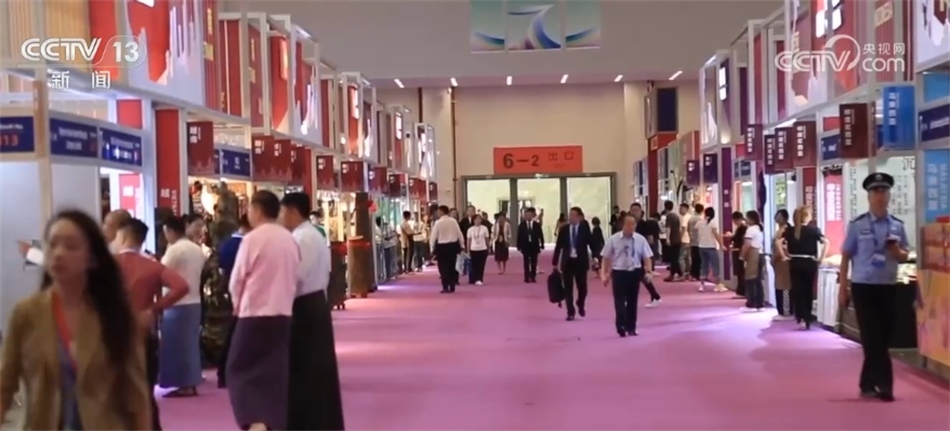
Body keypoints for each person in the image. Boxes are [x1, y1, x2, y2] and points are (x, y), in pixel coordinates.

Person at [0, 209, 151, 429]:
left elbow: (136, 397)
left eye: (71, 246)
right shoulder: (25, 314)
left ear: (92, 257)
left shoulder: (114, 315)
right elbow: (5, 385)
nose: (59, 253)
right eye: (52, 244)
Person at [227, 190, 300, 430]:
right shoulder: (290, 239)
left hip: (254, 313)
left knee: (238, 369)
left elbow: (237, 280)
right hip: (283, 314)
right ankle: (273, 420)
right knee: (274, 371)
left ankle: (255, 420)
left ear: (257, 210)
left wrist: (237, 307)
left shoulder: (252, 239)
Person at [114, 217, 190, 429]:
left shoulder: (107, 266)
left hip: (112, 335)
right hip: (143, 334)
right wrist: (155, 308)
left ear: (123, 237)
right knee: (145, 390)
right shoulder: (152, 267)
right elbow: (181, 286)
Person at [839, 173, 908, 402]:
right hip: (863, 286)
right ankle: (885, 385)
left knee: (883, 337)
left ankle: (867, 381)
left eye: (884, 192)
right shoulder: (858, 225)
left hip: (888, 285)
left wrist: (897, 252)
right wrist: (843, 287)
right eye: (876, 192)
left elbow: (905, 254)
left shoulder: (897, 225)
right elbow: (846, 256)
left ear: (889, 196)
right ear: (868, 197)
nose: (880, 196)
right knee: (872, 336)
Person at [279, 193, 345, 430]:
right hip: (313, 303)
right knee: (313, 369)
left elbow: (296, 275)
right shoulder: (311, 234)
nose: (279, 218)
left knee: (307, 370)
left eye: (281, 212)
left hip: (305, 306)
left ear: (292, 211)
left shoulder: (303, 238)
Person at [159, 215, 207, 397]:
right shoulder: (196, 249)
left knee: (177, 346)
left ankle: (185, 384)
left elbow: (162, 271)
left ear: (170, 231)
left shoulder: (174, 250)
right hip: (194, 300)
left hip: (177, 301)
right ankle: (191, 381)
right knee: (190, 345)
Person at [600, 213, 654, 337]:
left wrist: (649, 272)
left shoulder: (640, 239)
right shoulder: (613, 239)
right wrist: (604, 274)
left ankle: (631, 327)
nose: (631, 227)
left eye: (633, 224)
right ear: (623, 225)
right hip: (619, 272)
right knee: (619, 301)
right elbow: (606, 258)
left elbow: (647, 257)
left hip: (634, 272)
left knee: (632, 301)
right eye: (629, 224)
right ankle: (621, 325)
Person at [18, 209, 132, 265]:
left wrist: (32, 254)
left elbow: (69, 265)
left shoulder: (116, 256)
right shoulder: (98, 245)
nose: (103, 228)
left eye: (108, 225)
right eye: (104, 223)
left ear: (120, 230)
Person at [217, 214, 252, 388]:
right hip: (243, 295)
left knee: (231, 334)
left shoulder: (226, 244)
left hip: (227, 292)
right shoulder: (246, 244)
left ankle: (224, 372)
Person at [782, 206, 830, 329]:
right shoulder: (814, 230)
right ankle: (808, 316)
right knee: (808, 290)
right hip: (809, 262)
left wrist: (786, 254)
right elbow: (826, 242)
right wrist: (821, 258)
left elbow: (780, 242)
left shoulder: (790, 231)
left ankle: (800, 316)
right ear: (807, 216)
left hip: (795, 261)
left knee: (798, 290)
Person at [552, 207, 594, 320]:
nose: (571, 217)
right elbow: (559, 246)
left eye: (574, 215)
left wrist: (596, 257)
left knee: (582, 288)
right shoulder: (564, 229)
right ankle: (570, 312)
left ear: (580, 217)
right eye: (570, 215)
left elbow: (591, 243)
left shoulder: (584, 229)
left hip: (581, 262)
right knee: (568, 288)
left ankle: (580, 303)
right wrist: (555, 261)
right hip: (568, 262)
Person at [630, 203, 663, 307]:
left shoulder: (645, 225)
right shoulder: (629, 224)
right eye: (633, 210)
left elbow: (650, 240)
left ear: (641, 212)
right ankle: (655, 296)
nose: (634, 212)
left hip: (641, 254)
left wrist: (647, 255)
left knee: (640, 276)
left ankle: (655, 296)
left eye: (637, 210)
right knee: (638, 277)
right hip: (631, 254)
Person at [430, 205, 465, 293]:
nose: (437, 213)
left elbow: (433, 237)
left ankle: (445, 286)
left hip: (442, 247)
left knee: (443, 267)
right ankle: (452, 284)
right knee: (452, 265)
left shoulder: (438, 223)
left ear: (442, 212)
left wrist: (431, 248)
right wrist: (462, 245)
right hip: (453, 246)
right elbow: (459, 234)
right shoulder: (453, 221)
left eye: (438, 211)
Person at [739, 210, 766, 311]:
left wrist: (742, 256)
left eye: (747, 217)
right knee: (758, 280)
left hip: (753, 255)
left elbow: (747, 244)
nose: (745, 220)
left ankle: (751, 304)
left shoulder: (750, 230)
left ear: (752, 219)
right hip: (761, 254)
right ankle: (760, 303)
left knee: (750, 279)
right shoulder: (759, 229)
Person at [695, 207, 726, 292]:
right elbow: (716, 235)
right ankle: (718, 285)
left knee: (704, 265)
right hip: (711, 247)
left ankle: (701, 285)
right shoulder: (712, 223)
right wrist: (722, 245)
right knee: (715, 265)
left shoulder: (699, 223)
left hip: (701, 246)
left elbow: (696, 230)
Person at [772, 209, 794, 320]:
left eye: (779, 215)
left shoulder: (786, 230)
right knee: (779, 285)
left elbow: (783, 247)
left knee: (785, 285)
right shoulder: (779, 230)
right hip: (778, 262)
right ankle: (781, 311)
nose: (777, 217)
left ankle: (786, 311)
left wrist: (776, 257)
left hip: (783, 261)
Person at [517, 207, 544, 283]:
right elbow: (519, 236)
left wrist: (542, 244)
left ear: (532, 215)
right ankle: (526, 277)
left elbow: (540, 235)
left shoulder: (536, 225)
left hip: (534, 245)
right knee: (526, 262)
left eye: (529, 215)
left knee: (534, 262)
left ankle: (533, 276)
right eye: (526, 215)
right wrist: (519, 245)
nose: (528, 216)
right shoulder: (521, 225)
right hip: (525, 245)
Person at [728, 211, 748, 298]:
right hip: (737, 251)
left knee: (741, 272)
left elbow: (741, 240)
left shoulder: (743, 228)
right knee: (739, 272)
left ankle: (742, 292)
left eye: (734, 220)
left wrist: (732, 237)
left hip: (739, 251)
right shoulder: (739, 228)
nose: (734, 222)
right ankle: (740, 291)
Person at [466, 214, 491, 285]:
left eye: (479, 219)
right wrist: (468, 250)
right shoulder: (470, 229)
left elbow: (487, 239)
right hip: (473, 249)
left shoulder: (484, 228)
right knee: (474, 265)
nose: (478, 220)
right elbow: (468, 241)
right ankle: (474, 278)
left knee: (481, 265)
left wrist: (488, 248)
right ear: (473, 220)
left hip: (483, 248)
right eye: (476, 219)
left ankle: (480, 278)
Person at [662, 201, 684, 281]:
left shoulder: (669, 216)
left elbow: (668, 228)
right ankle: (675, 274)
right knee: (674, 258)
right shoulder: (676, 216)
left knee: (673, 259)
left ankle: (677, 274)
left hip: (673, 240)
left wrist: (667, 239)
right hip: (677, 239)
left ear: (665, 207)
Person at [686, 203, 704, 281]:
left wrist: (691, 236)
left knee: (693, 258)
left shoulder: (691, 219)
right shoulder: (701, 219)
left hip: (692, 240)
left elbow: (687, 229)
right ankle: (697, 275)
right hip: (699, 242)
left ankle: (692, 274)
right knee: (699, 259)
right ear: (702, 210)